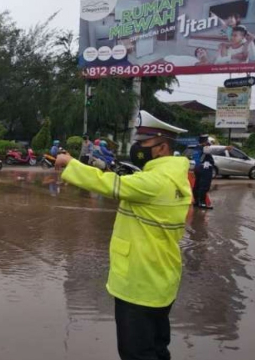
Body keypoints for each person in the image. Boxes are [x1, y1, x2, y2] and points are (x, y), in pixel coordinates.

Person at [55, 110, 191, 360]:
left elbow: (111, 185)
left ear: (161, 148)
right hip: (161, 279)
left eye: (143, 143)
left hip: (140, 282)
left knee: (136, 353)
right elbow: (128, 180)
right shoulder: (173, 178)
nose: (137, 147)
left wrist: (70, 164)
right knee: (157, 347)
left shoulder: (155, 182)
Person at [192, 134, 217, 210]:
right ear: (204, 141)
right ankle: (202, 203)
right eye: (207, 141)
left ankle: (196, 202)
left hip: (198, 168)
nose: (208, 142)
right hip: (205, 168)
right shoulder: (204, 148)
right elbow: (216, 149)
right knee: (204, 185)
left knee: (197, 185)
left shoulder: (197, 148)